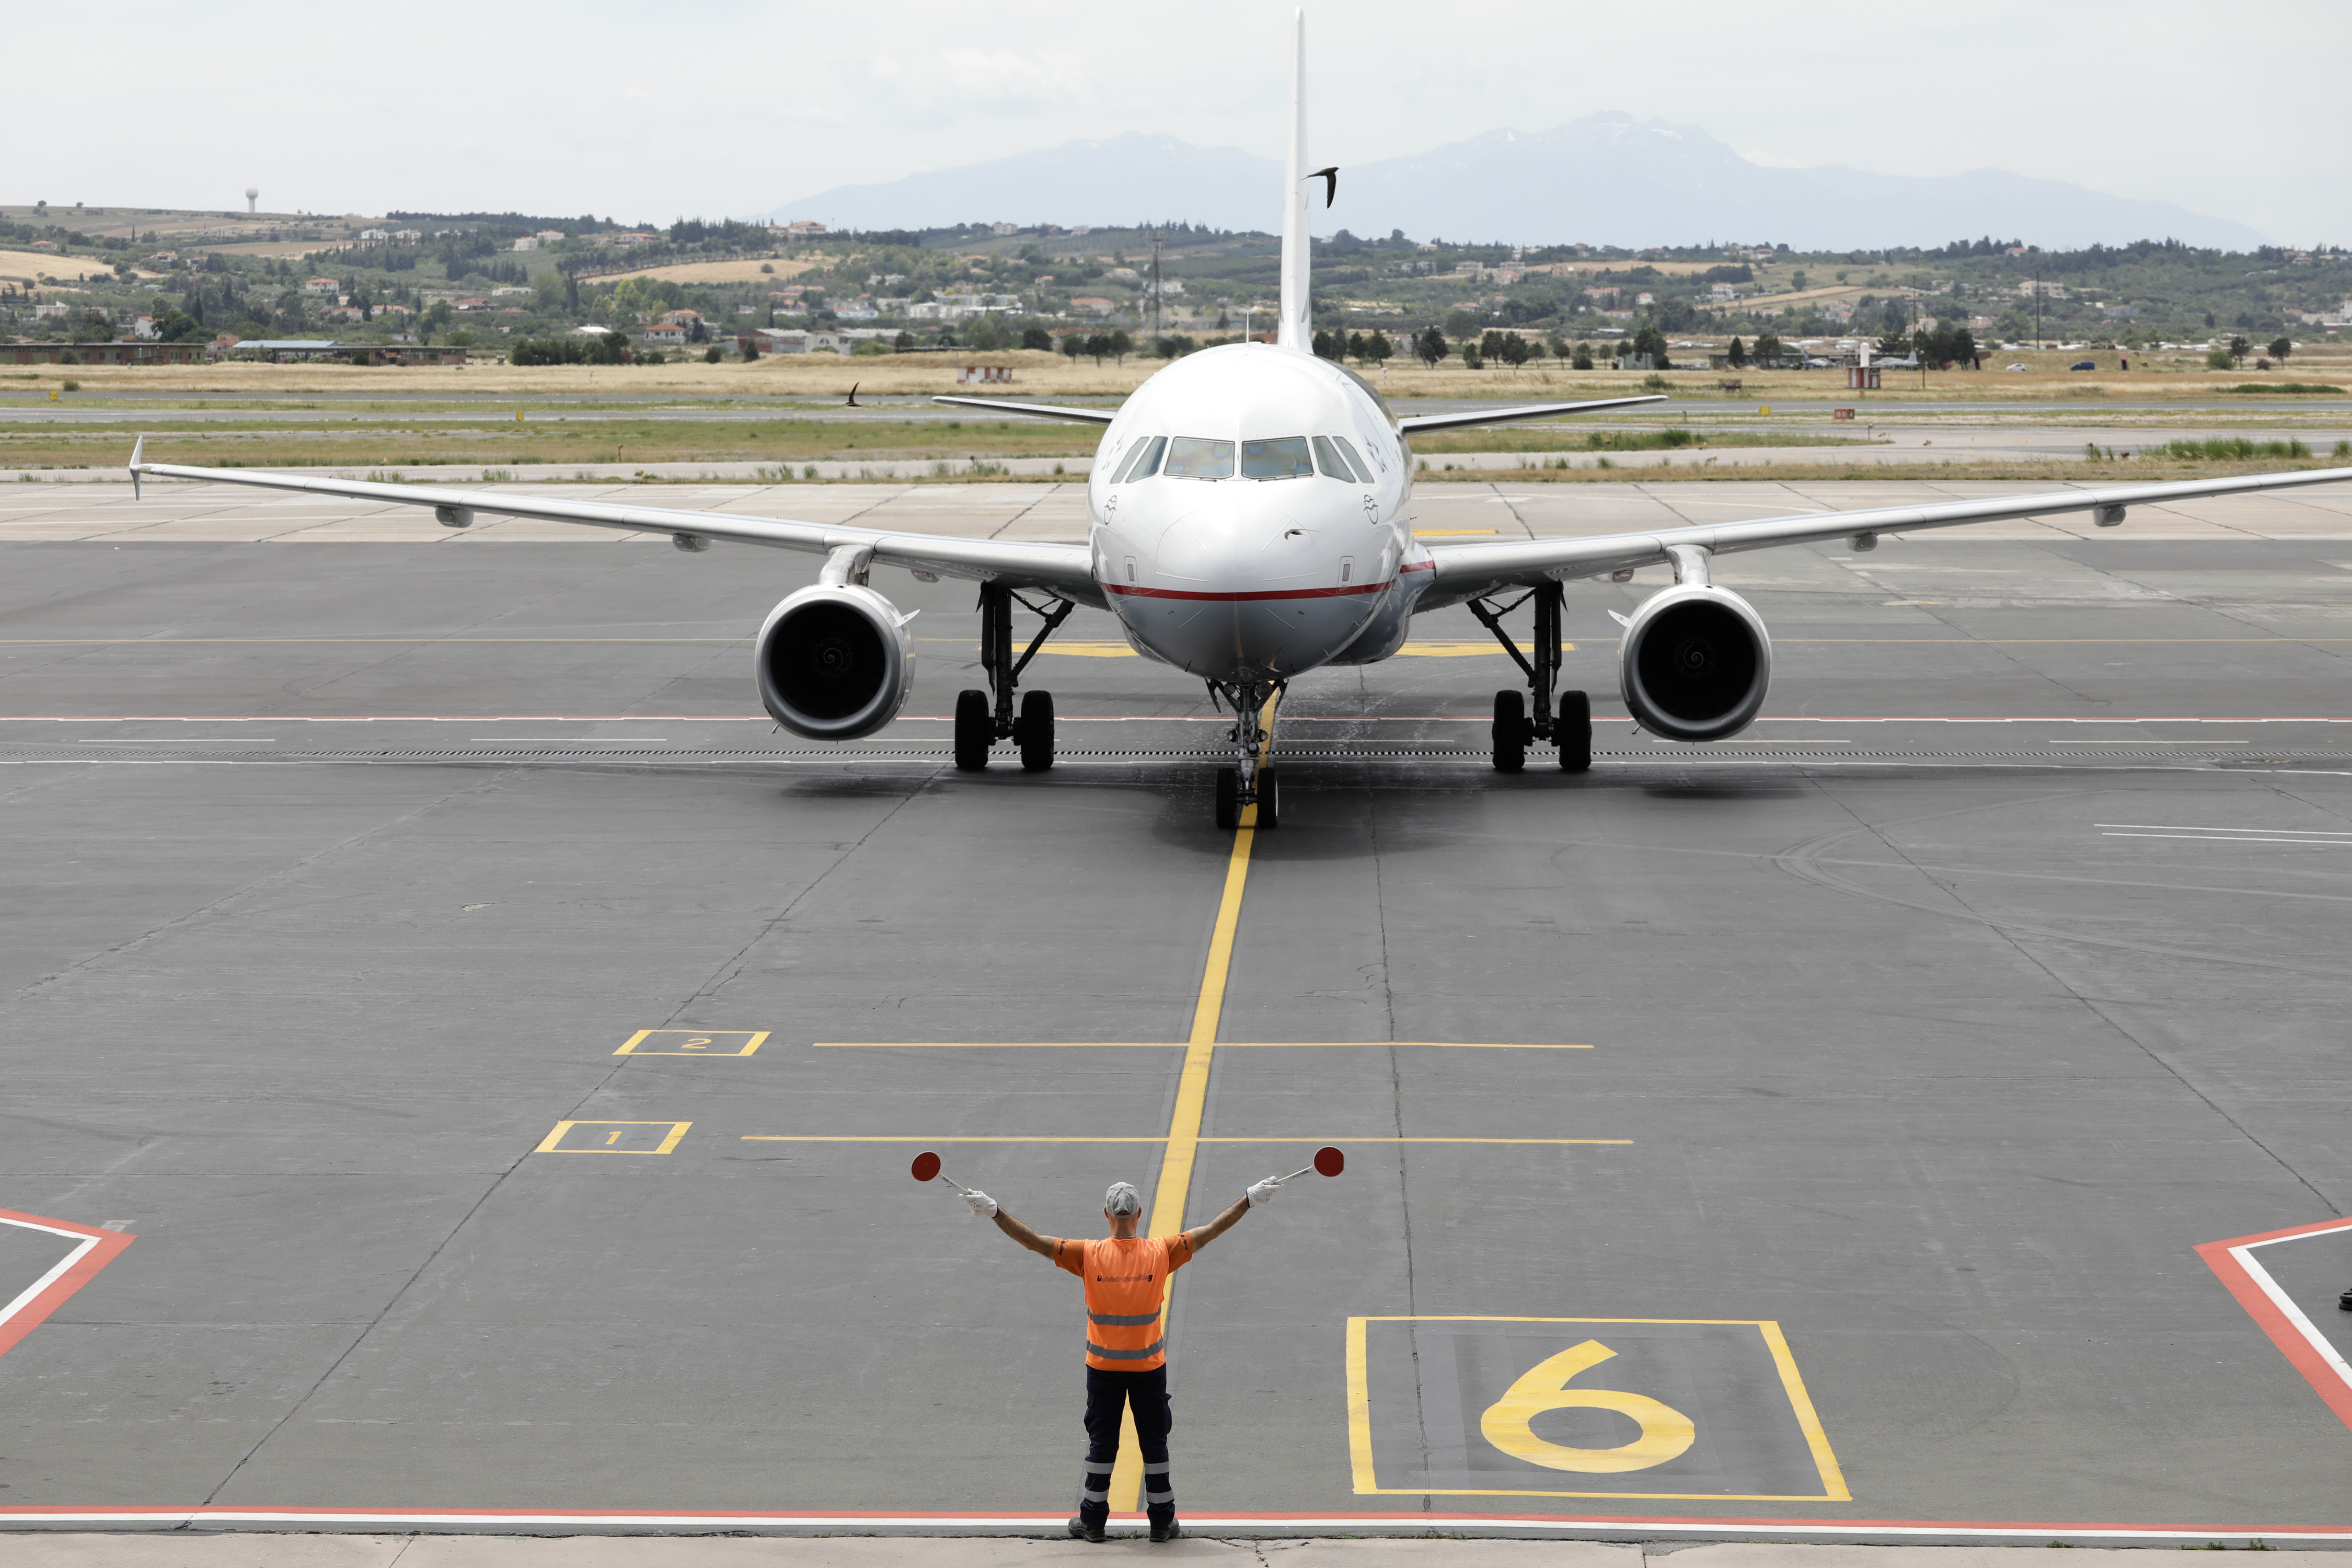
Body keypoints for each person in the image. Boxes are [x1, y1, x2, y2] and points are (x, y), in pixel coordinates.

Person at [959, 1173, 1290, 1542]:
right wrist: (1248, 1199)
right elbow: (1211, 1230)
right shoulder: (1161, 1252)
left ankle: (1093, 1522)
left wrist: (995, 1211)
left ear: (1106, 1214)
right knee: (1155, 1444)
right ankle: (1162, 1523)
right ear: (1139, 1214)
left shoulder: (1088, 1254)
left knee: (1102, 1445)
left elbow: (1034, 1241)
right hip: (1149, 1369)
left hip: (1103, 1370)